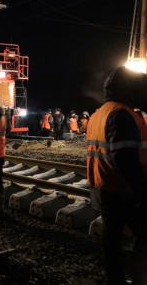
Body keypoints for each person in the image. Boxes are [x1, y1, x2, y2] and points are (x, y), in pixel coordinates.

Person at [86, 66, 147, 285]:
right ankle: (138, 277)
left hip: (102, 184)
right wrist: (142, 191)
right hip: (122, 189)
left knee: (112, 237)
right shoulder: (122, 114)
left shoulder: (99, 113)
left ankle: (116, 279)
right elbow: (126, 159)